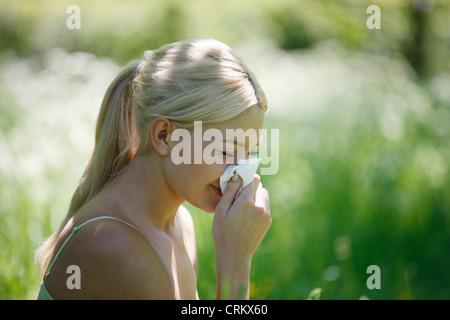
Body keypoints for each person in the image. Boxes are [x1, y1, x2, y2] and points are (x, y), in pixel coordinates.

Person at [35, 38, 272, 299]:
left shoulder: (179, 223)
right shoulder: (114, 246)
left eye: (250, 152)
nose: (240, 172)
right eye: (226, 150)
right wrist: (236, 262)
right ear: (164, 135)